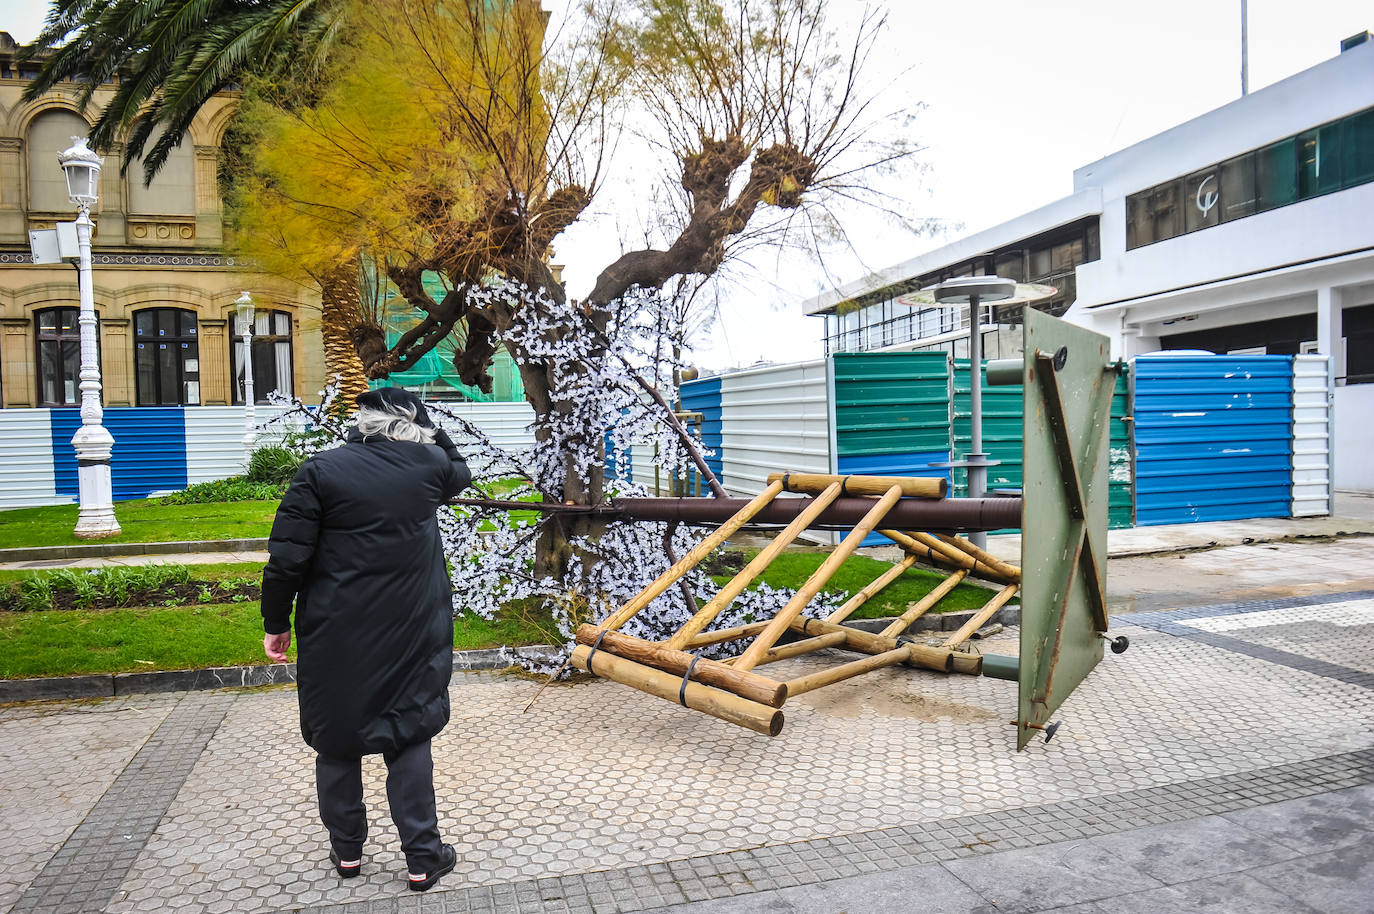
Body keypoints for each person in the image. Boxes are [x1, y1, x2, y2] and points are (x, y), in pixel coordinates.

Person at [260, 387, 471, 892]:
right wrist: (429, 425)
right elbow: (459, 467)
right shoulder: (429, 469)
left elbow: (287, 557)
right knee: (408, 734)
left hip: (337, 632)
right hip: (412, 628)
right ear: (412, 423)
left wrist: (275, 621)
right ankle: (423, 858)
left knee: (337, 741)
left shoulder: (321, 471)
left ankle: (347, 852)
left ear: (361, 423)